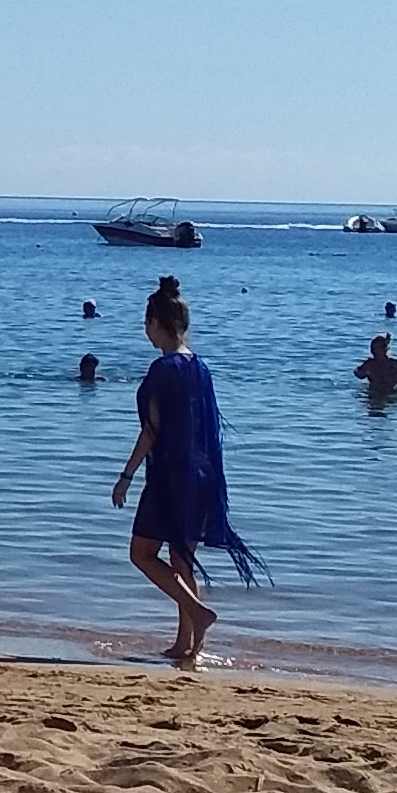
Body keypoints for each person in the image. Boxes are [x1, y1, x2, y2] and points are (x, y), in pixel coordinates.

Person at [112, 277, 263, 666]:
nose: (145, 331)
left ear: (154, 323)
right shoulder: (201, 367)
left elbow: (152, 430)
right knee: (181, 560)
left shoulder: (163, 369)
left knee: (141, 553)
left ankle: (197, 612)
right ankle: (186, 645)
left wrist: (126, 476)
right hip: (203, 475)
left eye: (146, 323)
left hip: (171, 477)